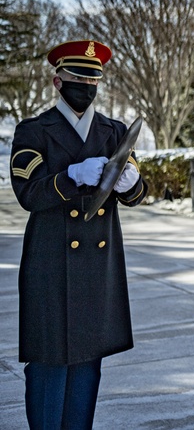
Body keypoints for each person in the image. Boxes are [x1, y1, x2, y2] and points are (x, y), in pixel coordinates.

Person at [9, 39, 148, 430]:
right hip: (50, 265)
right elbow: (28, 194)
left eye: (93, 79)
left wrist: (131, 183)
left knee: (88, 366)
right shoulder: (33, 131)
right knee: (49, 365)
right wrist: (70, 177)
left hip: (95, 265)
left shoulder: (114, 131)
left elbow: (137, 193)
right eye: (77, 77)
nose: (86, 86)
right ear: (57, 81)